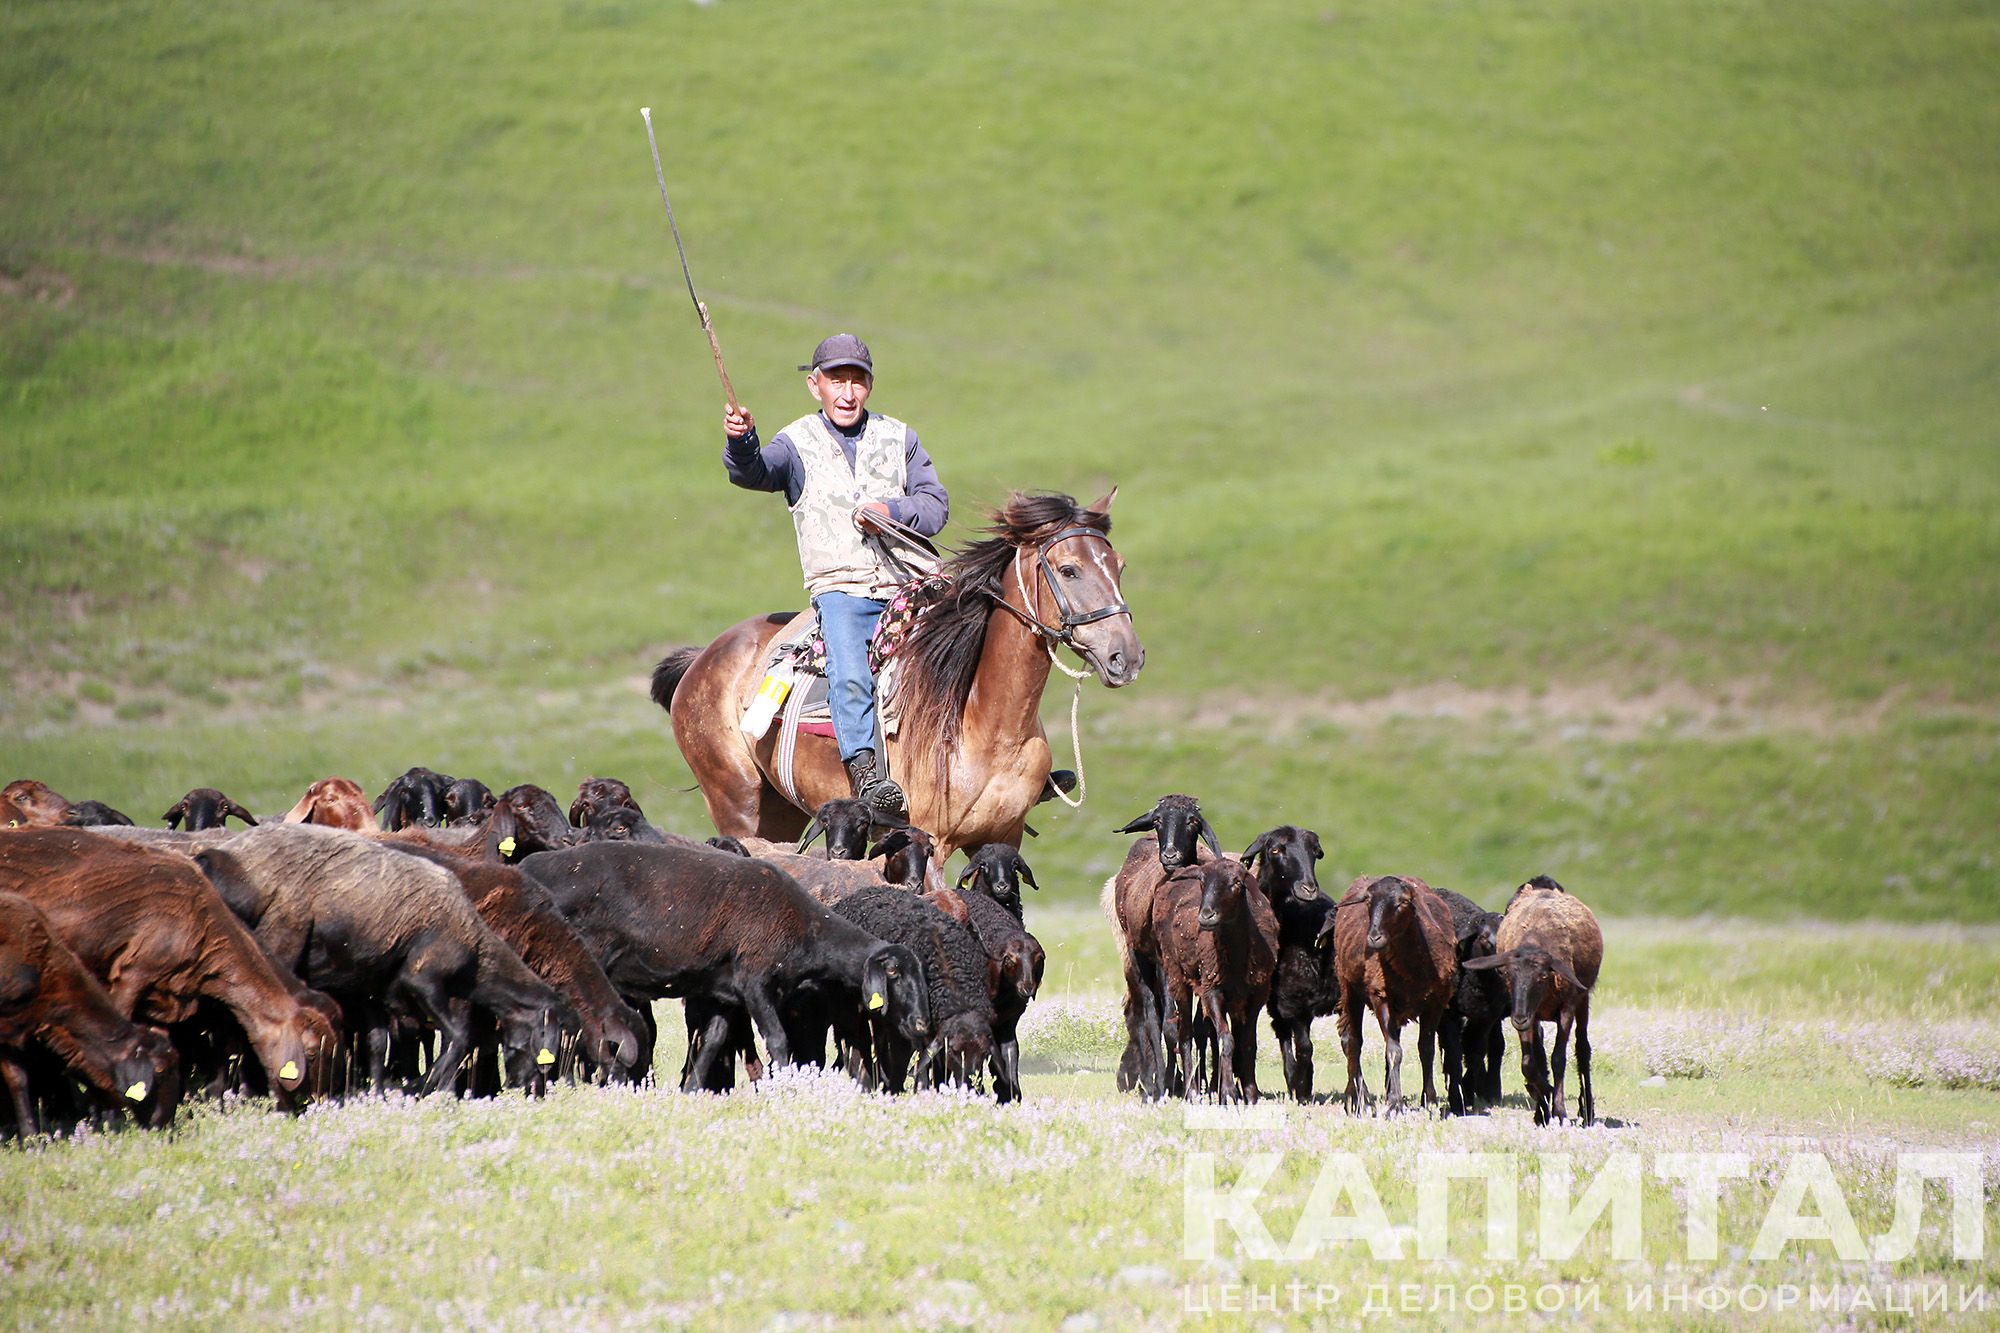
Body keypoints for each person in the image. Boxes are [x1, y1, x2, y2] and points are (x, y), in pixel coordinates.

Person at [722, 333, 948, 817]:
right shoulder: (795, 443)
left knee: (986, 636)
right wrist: (741, 442)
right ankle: (868, 776)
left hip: (910, 583)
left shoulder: (900, 438)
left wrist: (890, 509)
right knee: (850, 671)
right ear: (815, 385)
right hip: (842, 588)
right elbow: (754, 472)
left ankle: (1009, 761)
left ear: (869, 386)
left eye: (857, 381)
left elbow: (934, 507)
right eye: (836, 381)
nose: (847, 393)